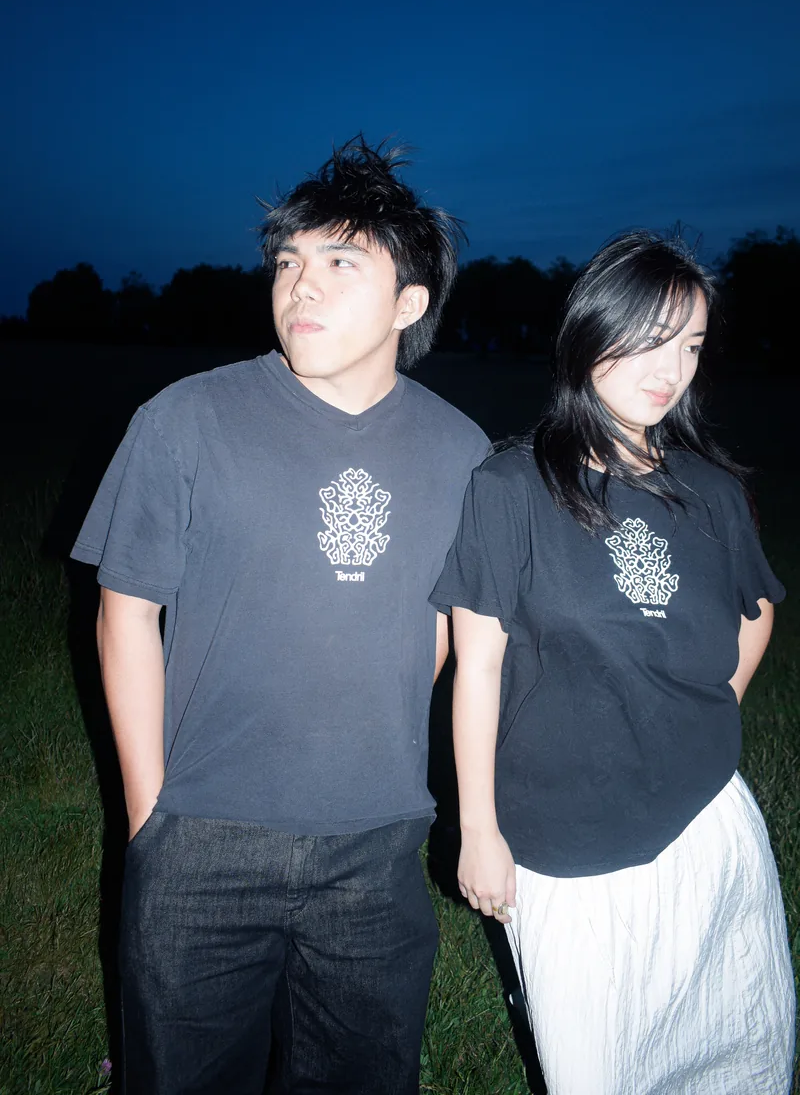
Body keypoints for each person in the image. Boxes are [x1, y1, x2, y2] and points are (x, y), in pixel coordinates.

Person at [71, 136, 489, 1095]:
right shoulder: (185, 420)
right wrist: (149, 818)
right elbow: (125, 612)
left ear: (409, 303)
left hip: (378, 846)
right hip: (200, 836)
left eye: (342, 263)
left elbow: (444, 631)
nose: (303, 286)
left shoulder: (462, 453)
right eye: (290, 262)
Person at [430, 232, 795, 1094]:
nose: (672, 369)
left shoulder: (711, 491)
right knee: (592, 1067)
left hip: (704, 821)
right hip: (564, 838)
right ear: (592, 331)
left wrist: (712, 705)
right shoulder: (510, 488)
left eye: (691, 345)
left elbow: (758, 608)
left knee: (728, 1050)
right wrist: (479, 830)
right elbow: (477, 666)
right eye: (651, 339)